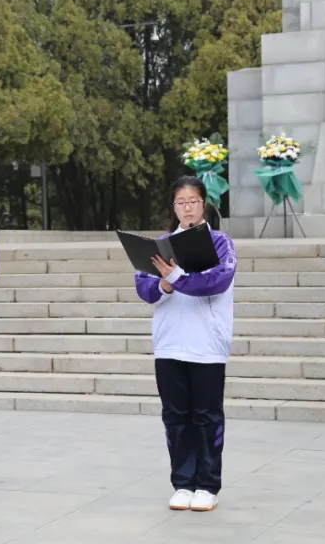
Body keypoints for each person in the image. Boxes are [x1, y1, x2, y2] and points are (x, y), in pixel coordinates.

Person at [135, 176, 236, 512]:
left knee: (207, 416)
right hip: (169, 343)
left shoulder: (220, 242)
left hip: (207, 344)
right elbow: (144, 288)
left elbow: (217, 281)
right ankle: (182, 482)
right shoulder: (160, 246)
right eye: (180, 202)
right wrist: (163, 285)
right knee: (176, 416)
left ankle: (207, 485)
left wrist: (177, 277)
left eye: (193, 201)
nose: (187, 208)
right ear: (173, 207)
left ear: (203, 204)